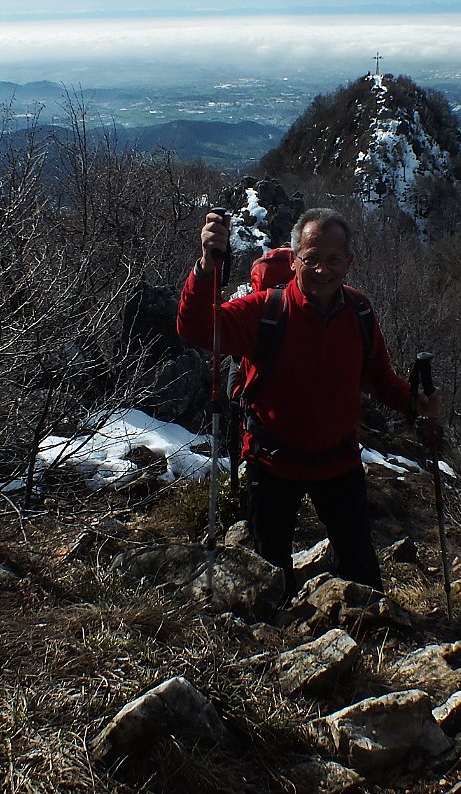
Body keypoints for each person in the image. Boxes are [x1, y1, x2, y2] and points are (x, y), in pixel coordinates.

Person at [176, 206, 439, 593]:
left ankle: (363, 641)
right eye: (311, 259)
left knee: (364, 579)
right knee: (271, 583)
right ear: (294, 258)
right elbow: (196, 327)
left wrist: (414, 403)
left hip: (340, 464)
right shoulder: (266, 311)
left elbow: (379, 379)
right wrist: (205, 266)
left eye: (333, 260)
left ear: (350, 262)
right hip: (273, 465)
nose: (322, 270)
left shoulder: (360, 312)